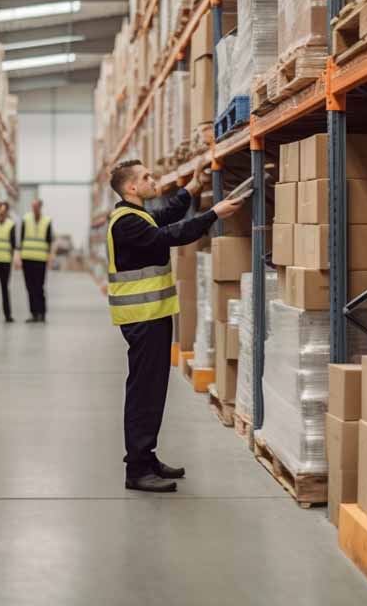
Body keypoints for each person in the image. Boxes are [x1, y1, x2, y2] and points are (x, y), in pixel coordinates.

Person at [106, 159, 243, 492]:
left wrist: (190, 190)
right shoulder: (126, 223)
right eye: (146, 177)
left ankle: (147, 457)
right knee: (144, 393)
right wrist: (213, 214)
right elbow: (169, 235)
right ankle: (137, 469)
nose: (153, 180)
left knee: (152, 391)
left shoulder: (136, 215)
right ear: (131, 188)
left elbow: (165, 217)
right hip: (142, 318)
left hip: (151, 315)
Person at [20, 199, 53, 323]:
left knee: (39, 287)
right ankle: (34, 314)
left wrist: (49, 257)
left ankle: (42, 313)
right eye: (32, 206)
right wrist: (19, 256)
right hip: (27, 258)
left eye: (36, 206)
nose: (34, 208)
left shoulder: (47, 221)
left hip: (40, 259)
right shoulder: (26, 219)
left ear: (40, 207)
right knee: (30, 287)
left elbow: (49, 241)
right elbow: (22, 239)